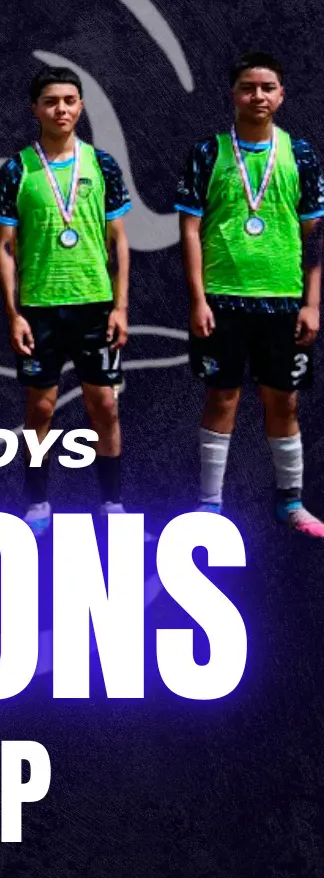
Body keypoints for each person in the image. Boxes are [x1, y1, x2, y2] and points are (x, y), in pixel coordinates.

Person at [176, 51, 324, 535]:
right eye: (247, 87)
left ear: (281, 95)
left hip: (282, 300)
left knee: (285, 403)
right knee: (222, 399)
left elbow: (315, 236)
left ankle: (291, 503)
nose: (257, 96)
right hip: (222, 299)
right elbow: (191, 230)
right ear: (233, 94)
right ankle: (209, 504)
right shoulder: (208, 153)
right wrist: (198, 299)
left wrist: (312, 303)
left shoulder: (300, 155)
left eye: (267, 88)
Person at [0, 66, 132, 535]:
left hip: (94, 304)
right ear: (35, 108)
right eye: (51, 101)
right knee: (41, 410)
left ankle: (111, 502)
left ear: (81, 105)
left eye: (70, 100)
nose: (62, 109)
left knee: (104, 406)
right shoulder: (16, 171)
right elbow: (6, 247)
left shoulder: (102, 165)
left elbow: (119, 241)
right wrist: (13, 314)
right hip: (40, 308)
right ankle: (36, 502)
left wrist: (121, 307)